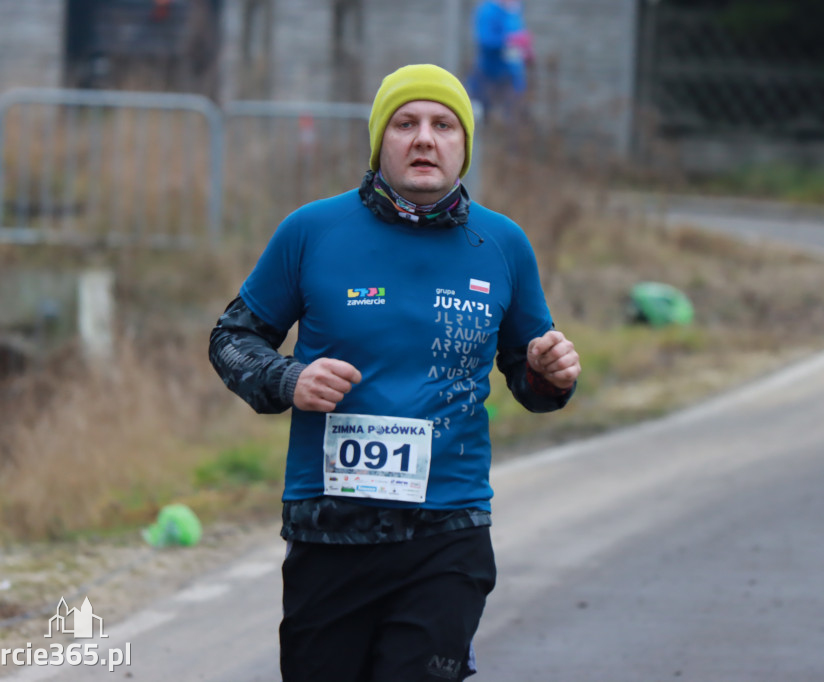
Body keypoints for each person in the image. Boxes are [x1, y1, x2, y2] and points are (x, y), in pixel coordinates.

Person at [208, 63, 580, 682]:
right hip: (330, 528)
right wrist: (287, 379)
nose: (424, 138)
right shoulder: (311, 232)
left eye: (443, 125)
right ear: (381, 141)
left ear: (464, 145)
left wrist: (550, 374)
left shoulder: (503, 244)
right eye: (405, 124)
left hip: (449, 529)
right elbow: (232, 337)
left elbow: (531, 376)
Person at [468, 0, 534, 123]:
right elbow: (485, 40)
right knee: (478, 117)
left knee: (515, 117)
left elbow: (518, 37)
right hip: (488, 74)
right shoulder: (488, 10)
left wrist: (526, 51)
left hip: (512, 76)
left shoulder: (516, 9)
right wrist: (509, 40)